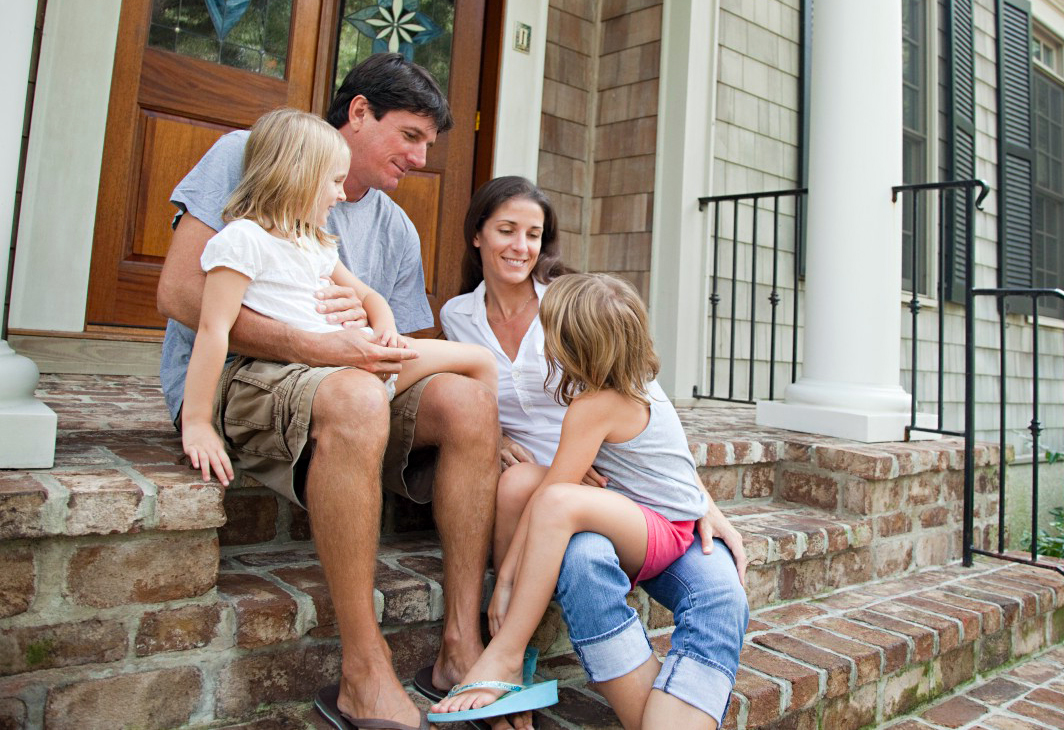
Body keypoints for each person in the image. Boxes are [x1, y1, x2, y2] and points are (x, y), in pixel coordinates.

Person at [156, 54, 499, 730]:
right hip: (245, 376)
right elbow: (178, 293)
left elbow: (395, 340)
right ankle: (363, 673)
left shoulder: (393, 226)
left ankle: (461, 647)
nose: (423, 158)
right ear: (360, 112)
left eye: (431, 144)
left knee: (467, 399)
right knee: (355, 396)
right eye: (411, 135)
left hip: (349, 381)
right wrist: (316, 347)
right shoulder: (254, 152)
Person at [438, 177, 749, 729]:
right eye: (507, 229)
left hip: (636, 508)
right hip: (588, 491)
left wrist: (701, 498)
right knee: (536, 503)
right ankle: (519, 655)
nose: (521, 244)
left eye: (533, 233)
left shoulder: (581, 342)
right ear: (478, 236)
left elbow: (638, 463)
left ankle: (507, 648)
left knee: (559, 506)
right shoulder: (461, 316)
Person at [429, 273, 710, 722]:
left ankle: (506, 649)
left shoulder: (597, 405)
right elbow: (540, 489)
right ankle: (516, 638)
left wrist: (503, 585)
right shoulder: (619, 384)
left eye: (548, 331)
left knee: (557, 501)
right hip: (629, 508)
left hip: (662, 530)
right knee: (520, 482)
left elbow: (555, 496)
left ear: (571, 344)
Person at [180, 107, 497, 489]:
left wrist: (386, 330)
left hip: (365, 356)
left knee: (480, 359)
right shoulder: (242, 241)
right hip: (319, 374)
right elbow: (213, 330)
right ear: (298, 177)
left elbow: (369, 296)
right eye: (333, 182)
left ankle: (491, 455)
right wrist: (197, 422)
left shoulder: (315, 242)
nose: (340, 194)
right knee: (369, 395)